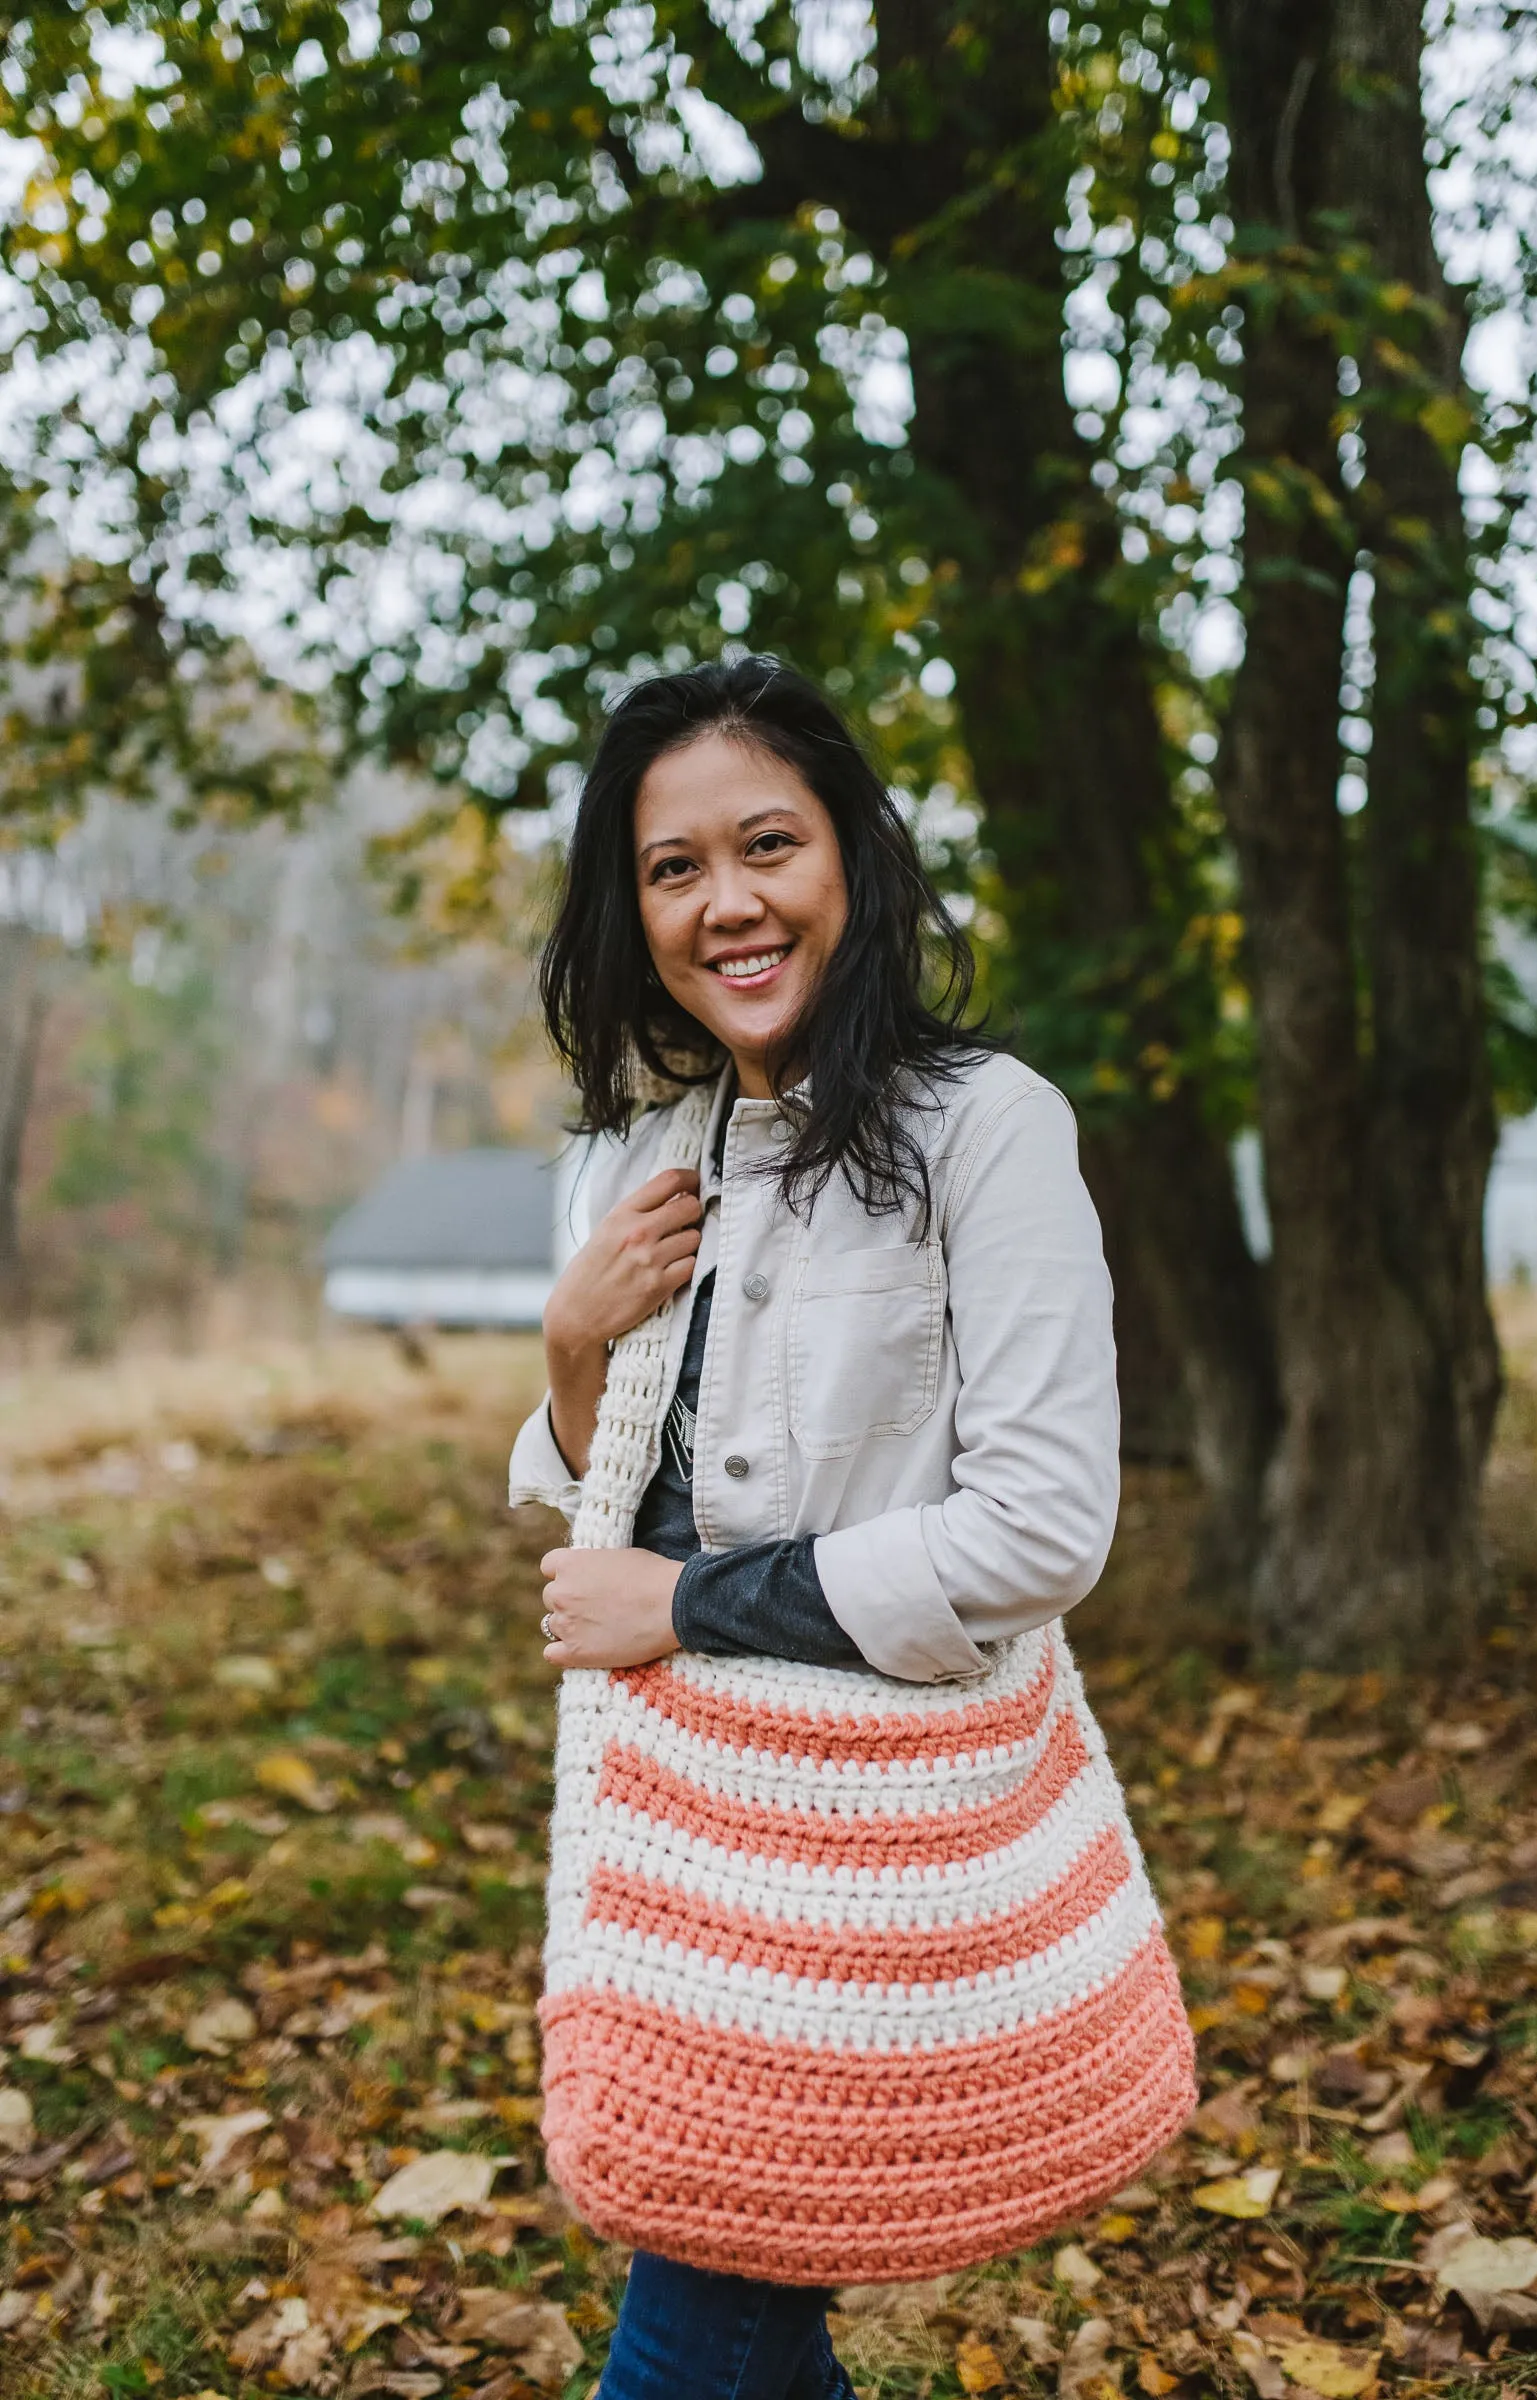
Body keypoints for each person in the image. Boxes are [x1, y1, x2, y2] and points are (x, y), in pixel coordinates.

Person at [510, 657, 1131, 2400]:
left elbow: (1040, 1532)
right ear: (632, 915)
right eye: (673, 869)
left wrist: (691, 1602)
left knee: (703, 2309)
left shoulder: (984, 1134)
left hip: (875, 1829)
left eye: (766, 844)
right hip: (687, 1828)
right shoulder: (630, 1162)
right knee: (736, 2296)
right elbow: (593, 1514)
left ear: (851, 857)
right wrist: (572, 1343)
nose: (729, 904)